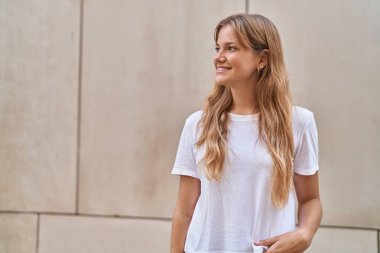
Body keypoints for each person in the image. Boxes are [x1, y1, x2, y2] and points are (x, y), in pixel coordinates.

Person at [170, 13, 322, 253]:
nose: (219, 57)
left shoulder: (298, 122)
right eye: (218, 47)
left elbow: (311, 199)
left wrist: (304, 234)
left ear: (262, 59)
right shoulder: (197, 124)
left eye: (231, 48)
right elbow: (183, 211)